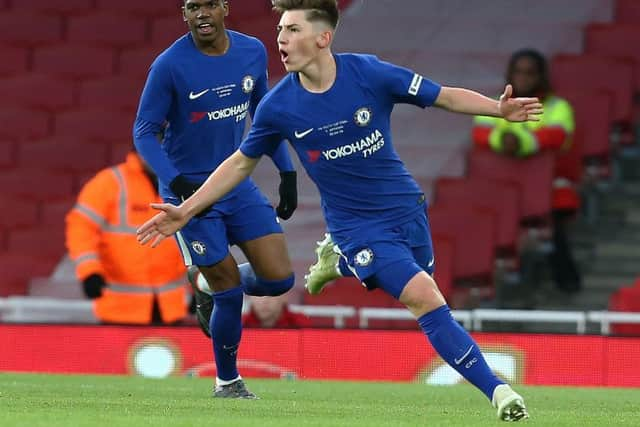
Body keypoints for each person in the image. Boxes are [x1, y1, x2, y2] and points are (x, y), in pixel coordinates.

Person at [136, 0, 540, 420]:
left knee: (424, 283)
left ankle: (342, 265)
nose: (280, 39)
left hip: (406, 209)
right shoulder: (278, 106)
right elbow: (240, 162)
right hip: (356, 227)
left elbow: (443, 96)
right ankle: (500, 394)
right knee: (425, 297)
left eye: (292, 30)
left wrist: (498, 109)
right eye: (279, 30)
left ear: (322, 37)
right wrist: (187, 209)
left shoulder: (369, 73)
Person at [133, 0, 299, 399]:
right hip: (187, 195)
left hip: (234, 184)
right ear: (184, 15)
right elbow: (144, 132)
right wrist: (178, 183)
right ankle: (228, 381)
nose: (201, 13)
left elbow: (264, 113)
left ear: (225, 8)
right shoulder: (169, 65)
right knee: (230, 292)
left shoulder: (252, 51)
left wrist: (287, 170)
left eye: (209, 4)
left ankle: (205, 282)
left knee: (280, 279)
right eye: (192, 7)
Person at [472, 48, 581, 294]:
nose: (523, 78)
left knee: (553, 222)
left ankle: (567, 286)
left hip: (547, 189)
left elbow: (557, 134)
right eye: (518, 72)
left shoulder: (557, 106)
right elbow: (480, 132)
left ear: (541, 76)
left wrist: (520, 142)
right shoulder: (495, 104)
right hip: (501, 190)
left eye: (530, 73)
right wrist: (505, 139)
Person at [65, 150, 189, 325]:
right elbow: (81, 227)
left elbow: (197, 237)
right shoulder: (110, 182)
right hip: (120, 310)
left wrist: (197, 289)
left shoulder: (184, 183)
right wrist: (89, 272)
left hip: (171, 308)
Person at [243, 294, 312, 328]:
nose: (264, 301)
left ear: (285, 296)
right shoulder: (239, 324)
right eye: (258, 294)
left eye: (271, 294)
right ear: (250, 297)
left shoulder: (301, 323)